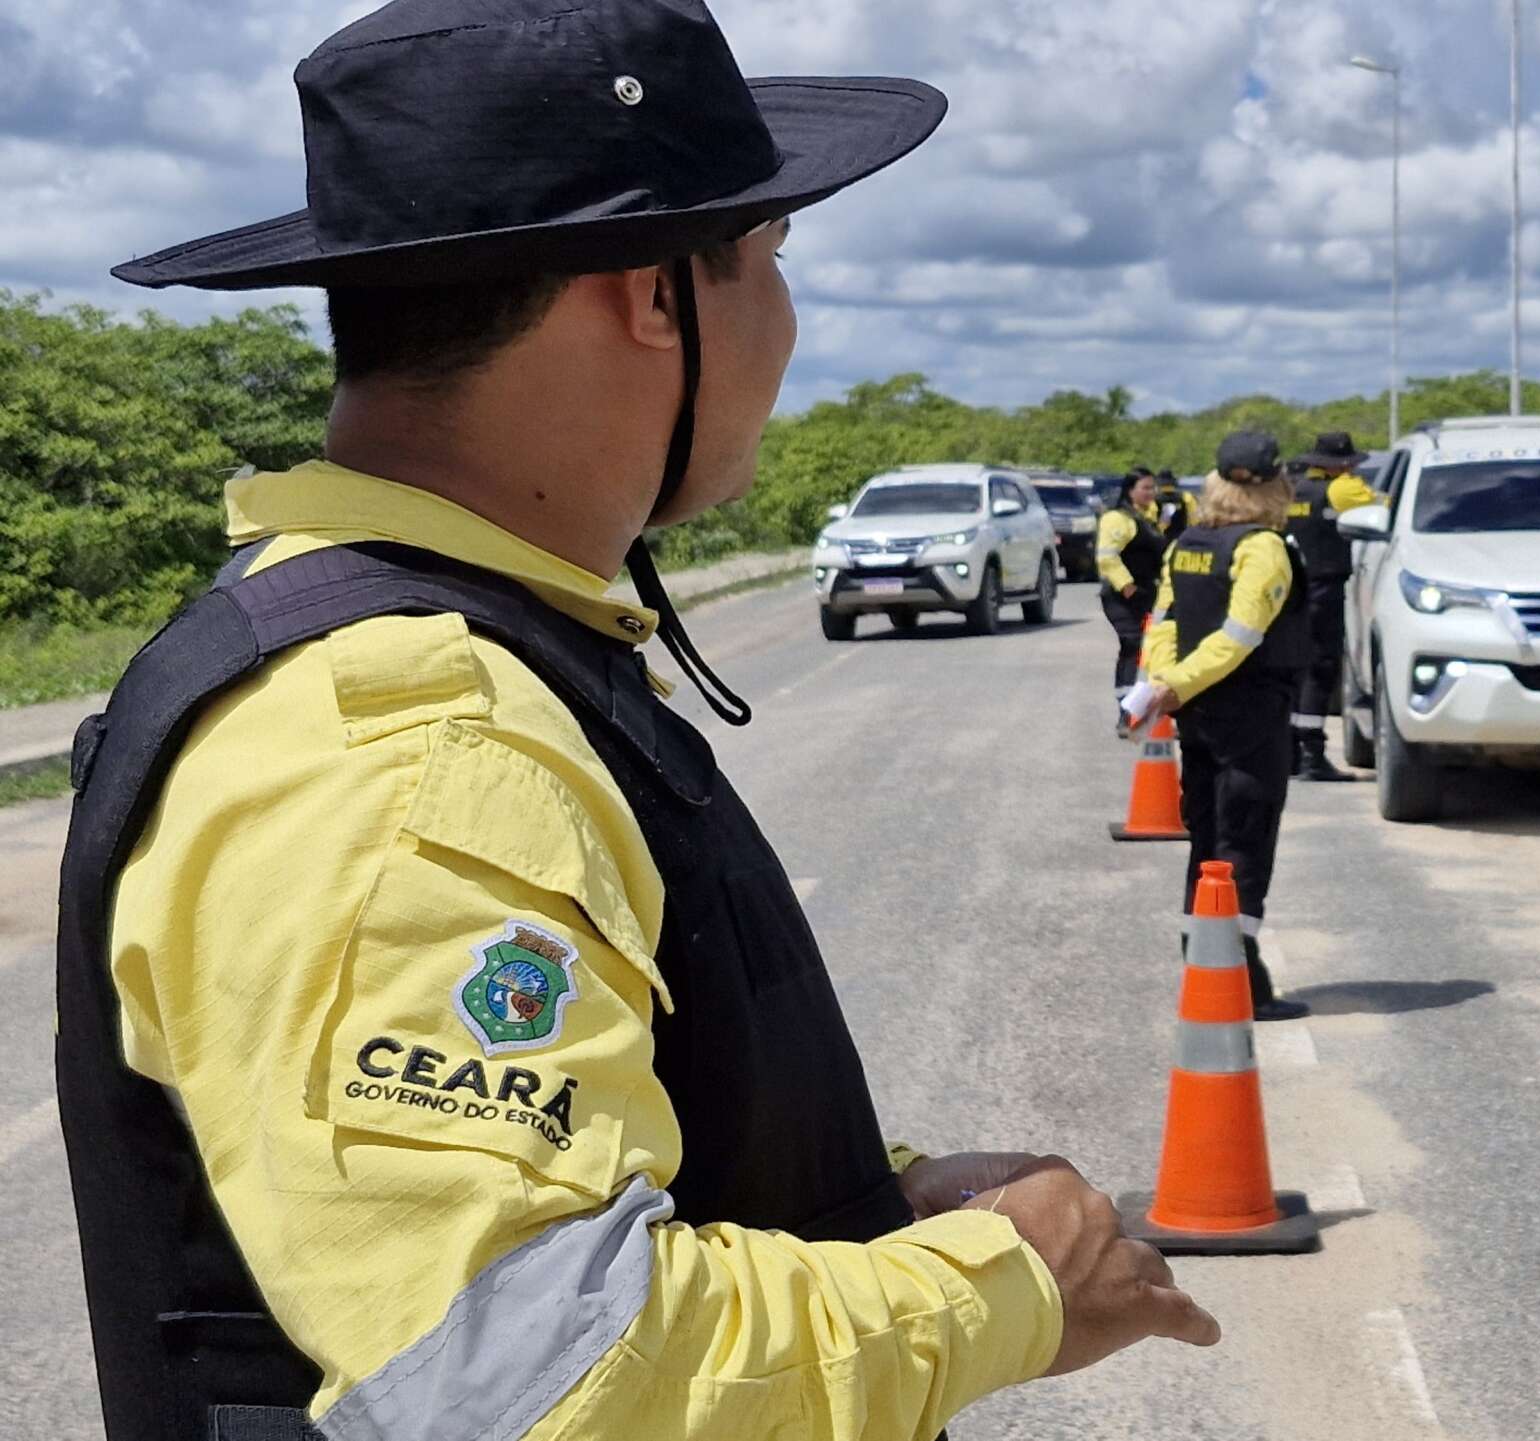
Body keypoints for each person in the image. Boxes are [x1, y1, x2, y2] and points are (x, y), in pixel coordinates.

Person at [54, 4, 1216, 1439]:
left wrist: (864, 1207)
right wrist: (1002, 1286)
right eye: (771, 262)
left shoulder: (414, 639)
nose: (789, 325)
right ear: (651, 295)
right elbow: (539, 1376)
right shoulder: (417, 740)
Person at [1131, 432, 1313, 1023]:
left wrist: (1167, 683)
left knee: (1208, 836)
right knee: (1243, 838)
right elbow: (1240, 636)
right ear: (1274, 489)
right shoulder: (1263, 548)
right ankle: (1241, 982)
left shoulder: (1188, 542)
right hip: (1247, 711)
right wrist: (1174, 685)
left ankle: (1204, 963)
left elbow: (1163, 621)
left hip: (1198, 714)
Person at [1284, 432, 1377, 782]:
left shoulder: (1292, 490)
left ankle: (1292, 752)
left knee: (1295, 669)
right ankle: (1312, 754)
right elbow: (1383, 506)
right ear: (1343, 465)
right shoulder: (1343, 489)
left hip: (1292, 589)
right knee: (1321, 668)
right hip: (1324, 587)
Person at [1096, 469, 1169, 713]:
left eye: (1152, 488)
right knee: (1132, 644)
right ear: (1130, 490)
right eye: (1145, 488)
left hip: (1149, 593)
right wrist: (1127, 587)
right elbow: (1107, 558)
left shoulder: (1149, 517)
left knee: (1153, 649)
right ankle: (1125, 711)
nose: (1151, 493)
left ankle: (1144, 706)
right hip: (1122, 596)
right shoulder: (1117, 518)